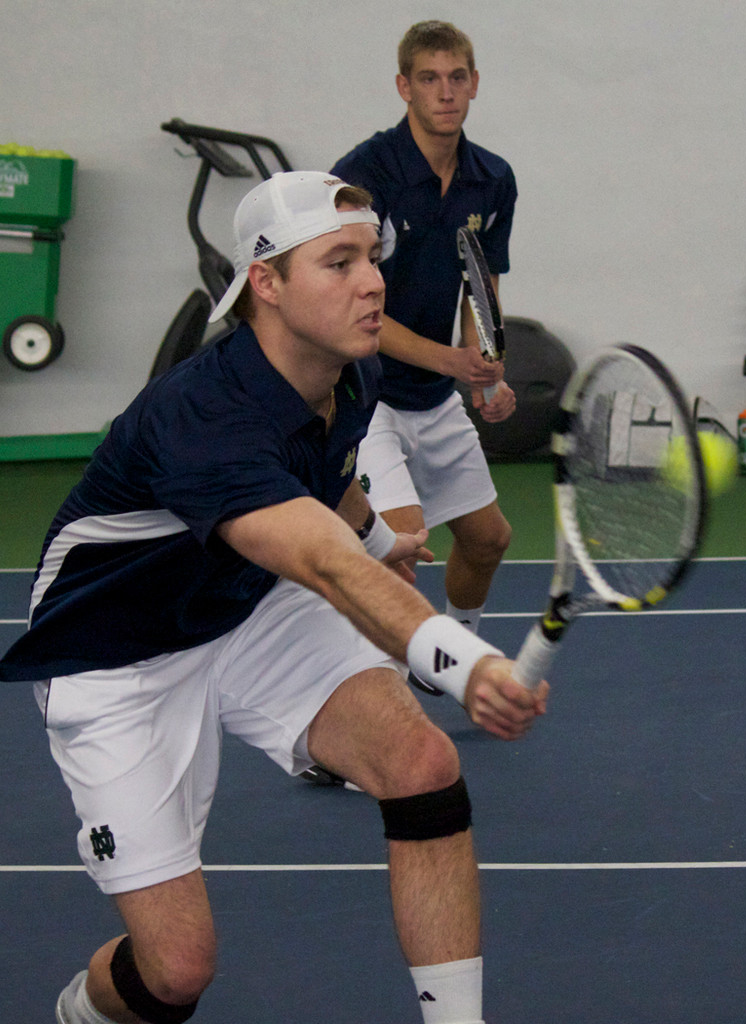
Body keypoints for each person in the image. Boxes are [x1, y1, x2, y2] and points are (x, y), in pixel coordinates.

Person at [0, 171, 549, 1024]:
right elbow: (323, 566)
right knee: (176, 973)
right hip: (116, 654)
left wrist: (380, 539)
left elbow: (330, 487)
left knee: (423, 766)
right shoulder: (201, 417)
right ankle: (82, 1013)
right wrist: (464, 658)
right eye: (338, 262)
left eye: (372, 256)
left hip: (244, 607)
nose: (372, 281)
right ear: (266, 283)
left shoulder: (347, 373)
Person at [331, 20, 518, 695]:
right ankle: (363, 709)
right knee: (398, 555)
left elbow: (480, 278)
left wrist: (486, 363)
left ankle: (452, 650)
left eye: (457, 77)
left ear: (474, 84)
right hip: (365, 395)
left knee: (488, 539)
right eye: (430, 79)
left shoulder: (491, 180)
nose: (446, 92)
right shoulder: (362, 178)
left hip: (434, 396)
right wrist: (452, 362)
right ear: (404, 87)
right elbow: (353, 312)